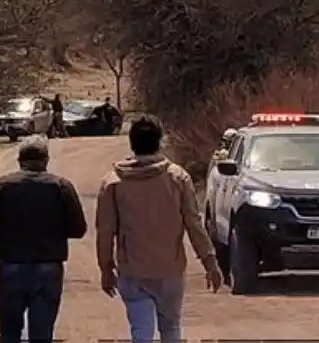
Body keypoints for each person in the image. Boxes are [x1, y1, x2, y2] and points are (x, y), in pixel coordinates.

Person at [96, 116, 224, 343]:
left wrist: (106, 268)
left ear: (131, 142)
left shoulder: (113, 182)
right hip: (170, 270)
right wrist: (210, 262)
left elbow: (105, 230)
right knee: (171, 329)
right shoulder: (177, 178)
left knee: (141, 331)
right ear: (160, 140)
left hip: (132, 270)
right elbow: (194, 224)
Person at [0, 136, 88, 343]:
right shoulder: (61, 186)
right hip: (48, 265)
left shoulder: (2, 186)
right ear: (45, 160)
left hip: (12, 264)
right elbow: (78, 229)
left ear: (19, 160)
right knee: (42, 332)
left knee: (9, 331)